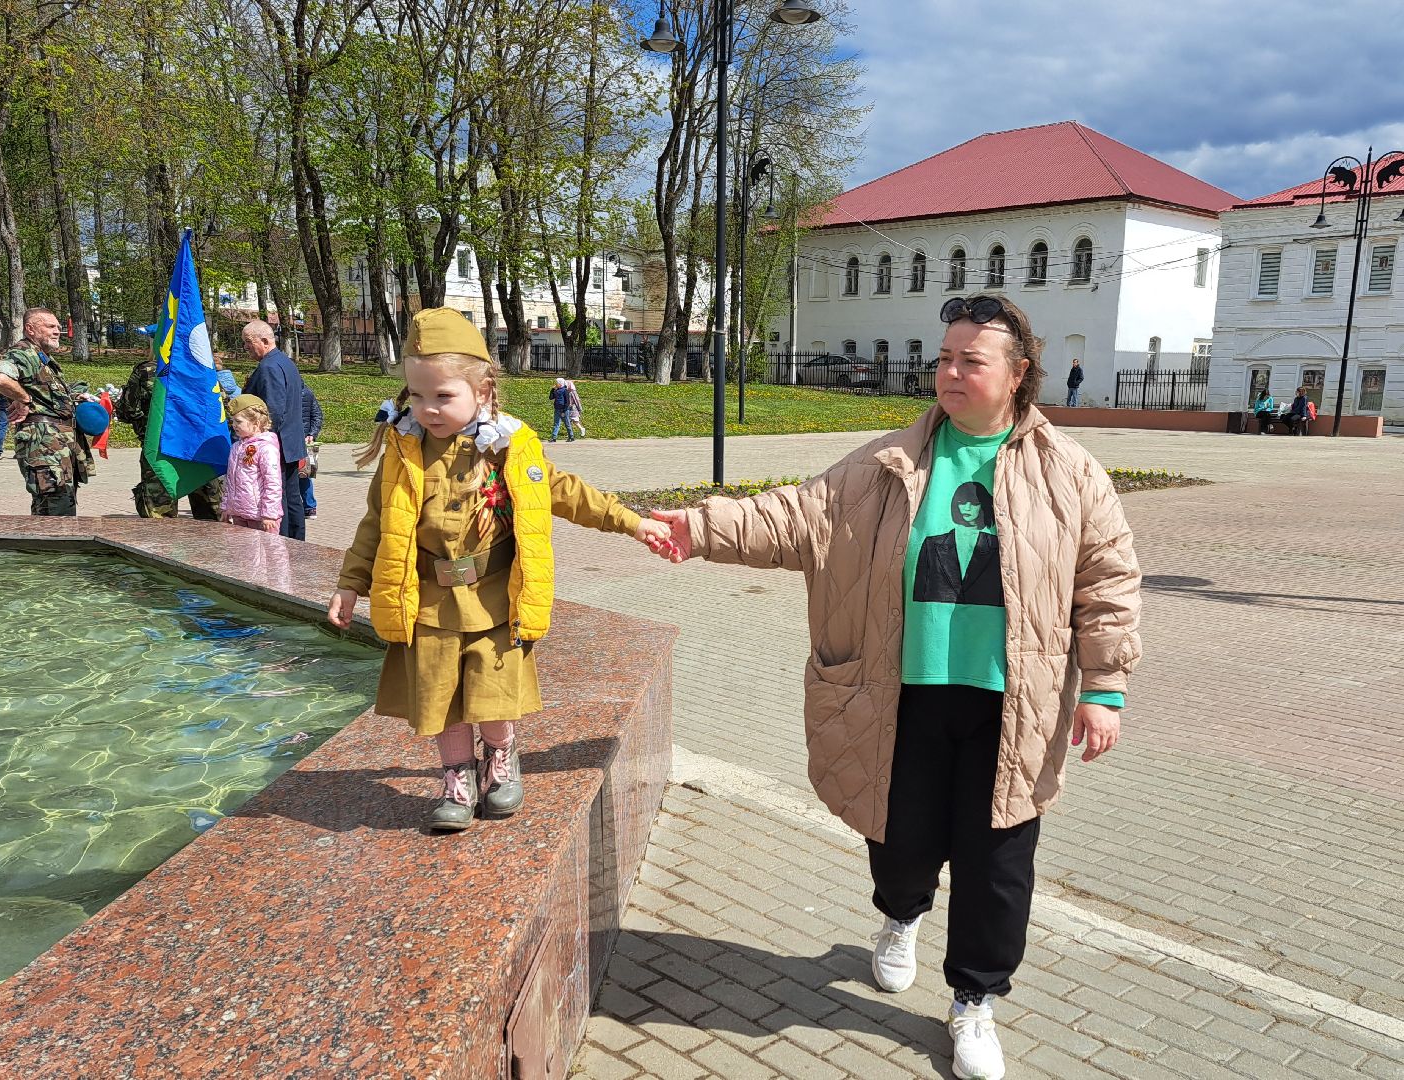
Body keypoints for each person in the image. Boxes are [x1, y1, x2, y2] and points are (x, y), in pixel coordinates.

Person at [646, 294, 1141, 1080]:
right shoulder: (888, 463)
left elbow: (1106, 579)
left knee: (997, 861)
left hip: (1013, 702)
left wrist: (1104, 687)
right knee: (900, 840)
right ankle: (900, 916)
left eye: (967, 361)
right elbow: (796, 517)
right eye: (942, 358)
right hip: (900, 691)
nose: (946, 373)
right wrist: (697, 527)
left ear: (1016, 375)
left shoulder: (1068, 472)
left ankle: (974, 1001)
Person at [326, 308, 672, 831]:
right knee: (442, 696)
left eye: (443, 396)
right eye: (417, 396)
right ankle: (457, 778)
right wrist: (351, 584)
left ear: (483, 392)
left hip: (493, 598)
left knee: (491, 694)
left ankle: (502, 761)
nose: (426, 409)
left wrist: (630, 522)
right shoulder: (403, 450)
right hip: (428, 601)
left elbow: (566, 493)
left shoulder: (507, 448)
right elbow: (377, 522)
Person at [0, 307, 88, 515]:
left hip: (57, 445)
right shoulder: (23, 353)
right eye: (50, 326)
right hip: (44, 446)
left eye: (58, 327)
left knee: (56, 505)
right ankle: (52, 547)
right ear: (30, 329)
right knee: (55, 508)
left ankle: (47, 545)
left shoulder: (42, 358)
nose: (57, 331)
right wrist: (23, 398)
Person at [114, 353, 223, 520]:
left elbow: (128, 411)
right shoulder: (203, 367)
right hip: (201, 449)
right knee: (211, 517)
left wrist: (146, 427)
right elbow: (221, 411)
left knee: (160, 520)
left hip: (160, 448)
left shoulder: (147, 370)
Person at [241, 319, 307, 539]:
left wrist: (262, 441)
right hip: (290, 441)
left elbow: (274, 410)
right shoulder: (285, 362)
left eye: (249, 342)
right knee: (292, 496)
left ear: (265, 341)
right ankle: (298, 543)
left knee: (280, 497)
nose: (246, 347)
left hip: (277, 443)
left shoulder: (268, 367)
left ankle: (285, 543)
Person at [220, 394, 282, 532]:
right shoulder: (236, 447)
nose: (234, 426)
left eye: (239, 422)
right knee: (241, 552)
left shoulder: (266, 448)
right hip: (238, 513)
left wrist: (269, 514)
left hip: (260, 516)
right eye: (233, 422)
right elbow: (229, 480)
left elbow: (273, 483)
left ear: (256, 423)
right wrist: (226, 506)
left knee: (264, 552)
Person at [300, 381, 323, 518]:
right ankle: (310, 507)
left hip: (302, 440)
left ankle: (310, 506)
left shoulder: (305, 393)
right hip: (304, 438)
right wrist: (312, 434)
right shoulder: (307, 392)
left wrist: (311, 435)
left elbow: (316, 415)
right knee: (305, 474)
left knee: (305, 474)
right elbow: (317, 416)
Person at [549, 377, 574, 442]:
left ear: (560, 383)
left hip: (564, 410)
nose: (555, 384)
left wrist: (564, 411)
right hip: (557, 409)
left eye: (556, 383)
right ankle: (553, 438)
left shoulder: (565, 390)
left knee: (567, 423)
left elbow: (567, 402)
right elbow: (551, 397)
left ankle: (571, 436)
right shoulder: (556, 390)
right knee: (556, 424)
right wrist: (552, 389)